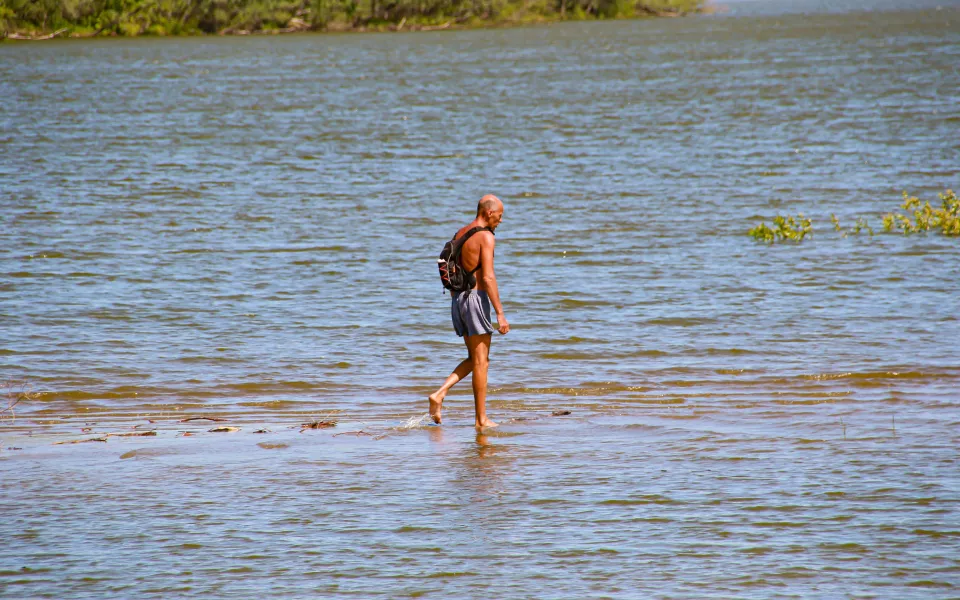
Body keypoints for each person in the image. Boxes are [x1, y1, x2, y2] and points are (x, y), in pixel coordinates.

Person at [429, 194, 510, 428]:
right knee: (482, 362)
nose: (501, 221)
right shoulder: (485, 237)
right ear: (489, 213)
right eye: (500, 216)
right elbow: (487, 276)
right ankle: (481, 419)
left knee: (476, 359)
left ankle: (440, 394)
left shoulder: (461, 232)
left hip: (458, 300)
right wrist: (500, 314)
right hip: (475, 299)